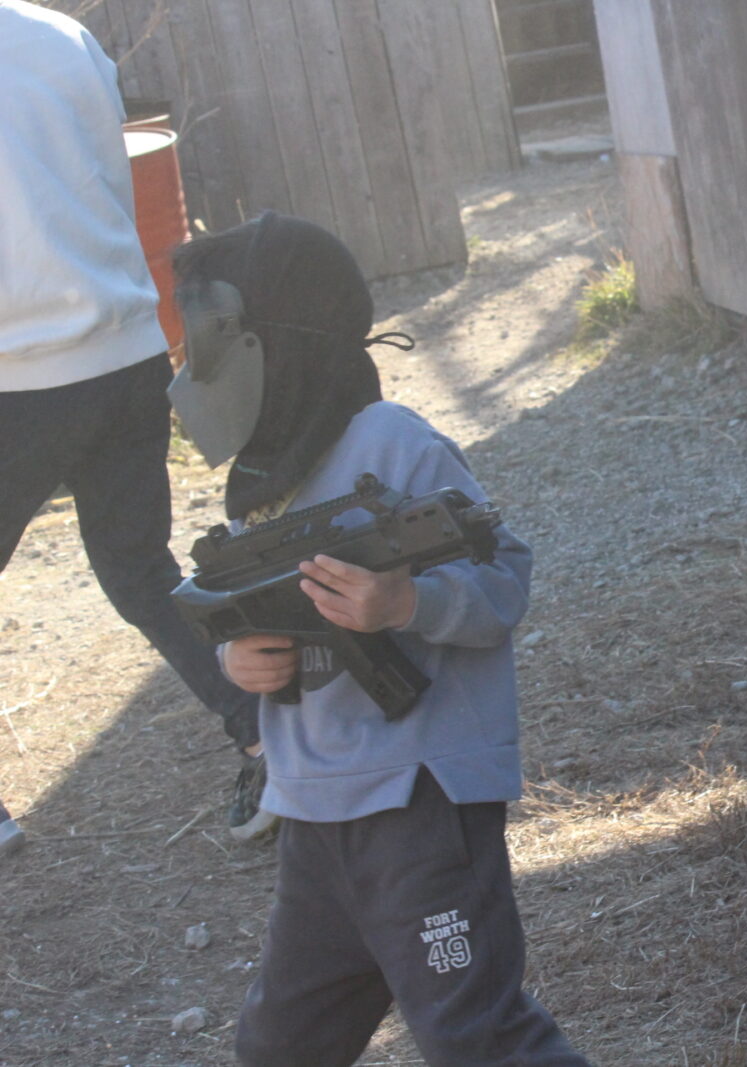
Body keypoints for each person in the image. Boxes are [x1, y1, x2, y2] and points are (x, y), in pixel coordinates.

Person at [168, 210, 590, 1067]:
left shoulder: (391, 443)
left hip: (420, 808)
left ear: (273, 338)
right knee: (280, 1048)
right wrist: (237, 659)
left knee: (477, 1038)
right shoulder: (263, 475)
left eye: (212, 337)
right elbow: (243, 610)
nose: (194, 367)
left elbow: (505, 579)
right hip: (313, 817)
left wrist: (406, 604)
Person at [0, 0, 271, 849]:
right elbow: (109, 177)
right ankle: (264, 735)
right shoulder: (61, 35)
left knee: (138, 567)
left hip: (16, 367)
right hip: (124, 345)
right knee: (139, 567)